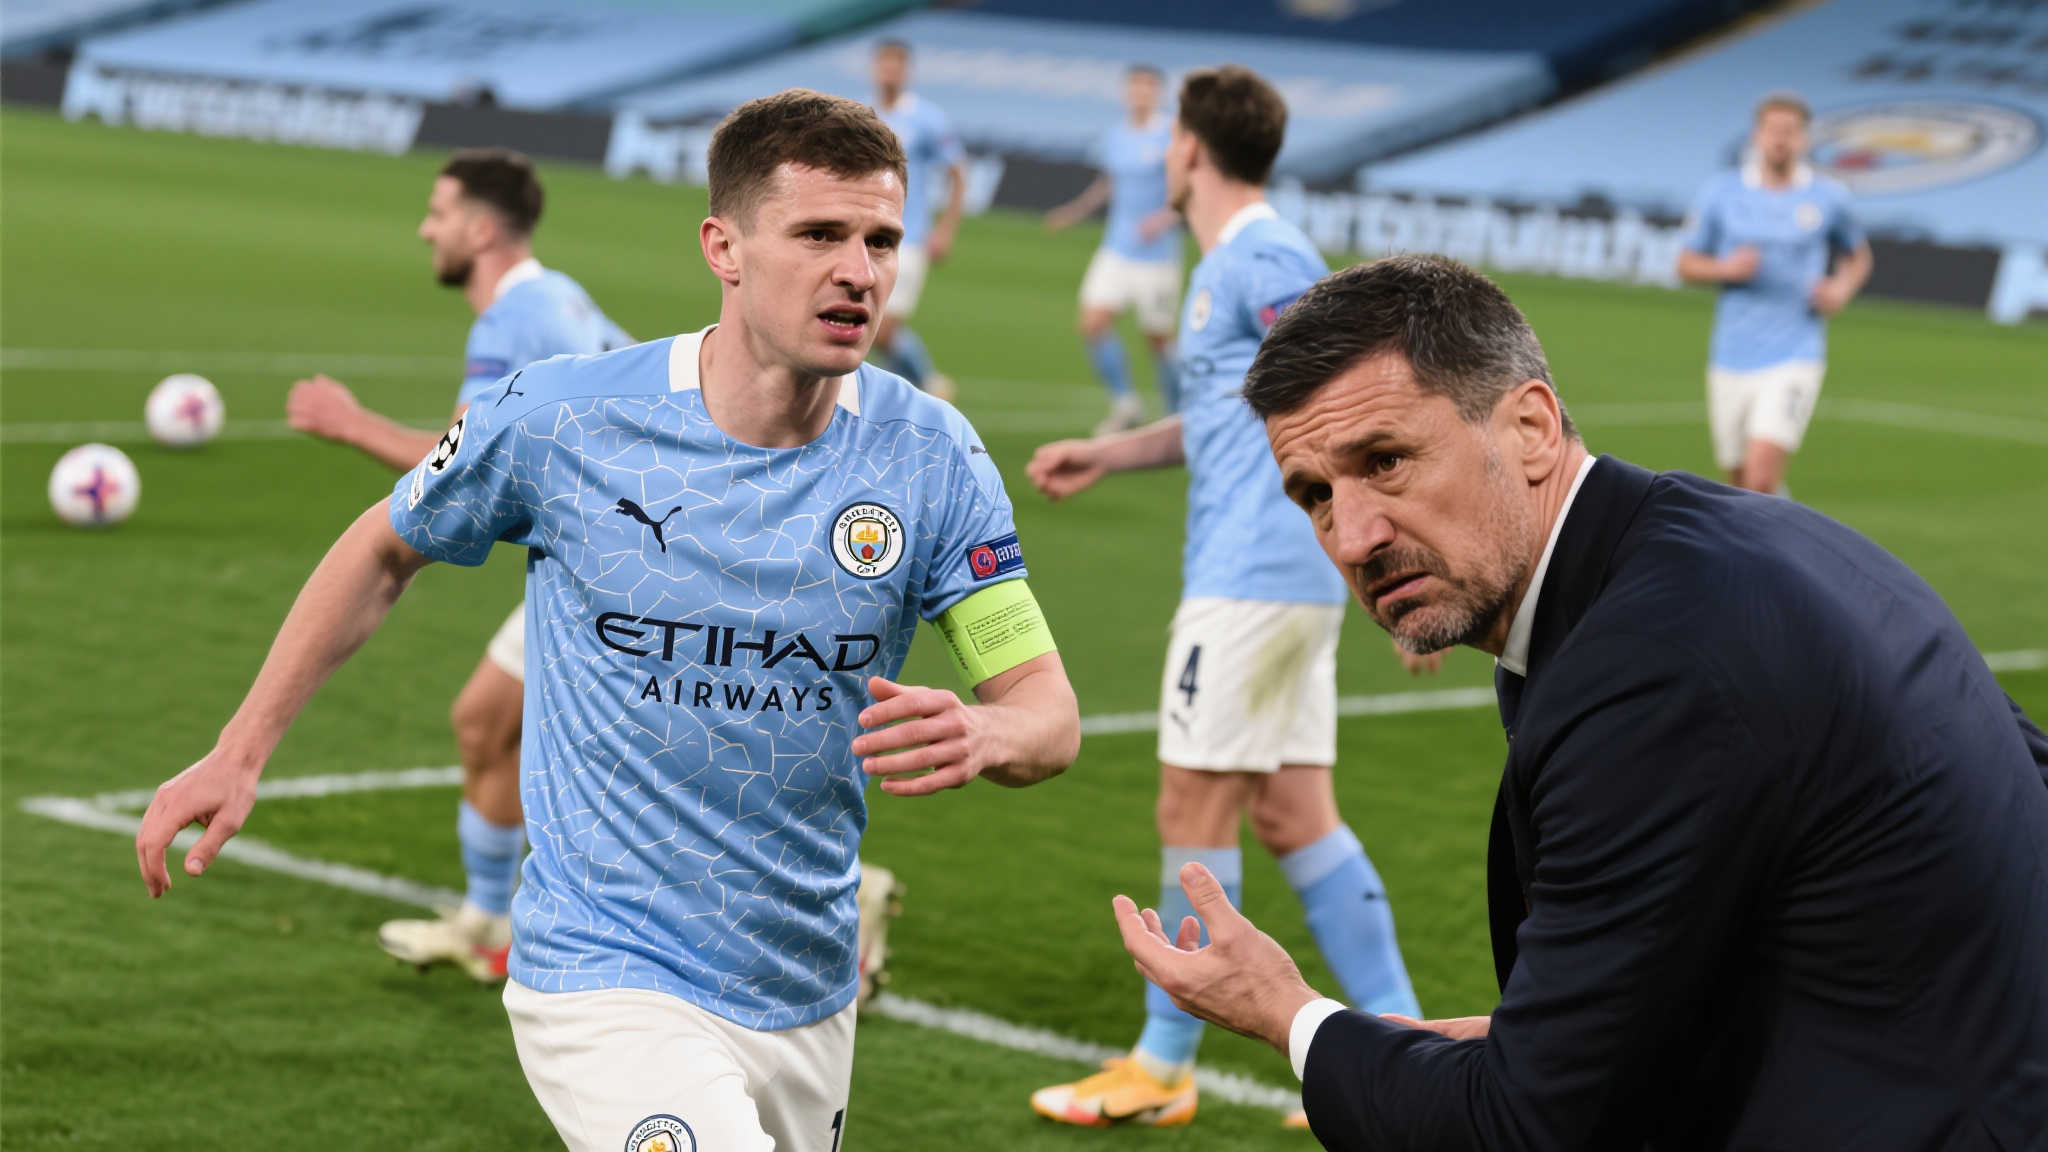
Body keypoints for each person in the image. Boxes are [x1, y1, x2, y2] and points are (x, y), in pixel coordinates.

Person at [136, 89, 1081, 1152]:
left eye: (881, 240)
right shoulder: (564, 416)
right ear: (723, 247)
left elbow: (1047, 712)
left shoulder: (932, 456)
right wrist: (240, 749)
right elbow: (385, 545)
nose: (858, 271)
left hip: (802, 982)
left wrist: (991, 731)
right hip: (604, 966)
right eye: (819, 234)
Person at [1114, 253, 2048, 1150]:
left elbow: (1519, 1130)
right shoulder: (1749, 542)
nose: (1353, 537)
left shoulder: (1653, 666)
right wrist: (1563, 1032)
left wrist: (1287, 1013)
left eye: (1387, 460)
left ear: (1530, 427)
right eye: (1315, 495)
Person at [1026, 66, 1423, 1131]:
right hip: (1272, 582)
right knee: (1293, 813)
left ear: (1190, 149)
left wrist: (1390, 562)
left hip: (1253, 580)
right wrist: (1110, 454)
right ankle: (1398, 1042)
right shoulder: (1234, 264)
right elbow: (1226, 416)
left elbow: (1353, 400)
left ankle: (1163, 1063)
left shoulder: (1264, 258)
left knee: (1190, 809)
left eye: (1171, 137)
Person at [284, 147, 631, 983]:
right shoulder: (566, 299)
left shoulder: (511, 320)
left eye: (437, 214)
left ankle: (847, 896)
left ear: (479, 230)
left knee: (631, 773)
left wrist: (350, 423)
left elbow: (459, 465)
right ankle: (486, 922)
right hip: (603, 557)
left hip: (612, 574)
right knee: (485, 723)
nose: (424, 230)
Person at [1676, 92, 1872, 495]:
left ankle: (1778, 535)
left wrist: (1840, 288)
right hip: (1731, 355)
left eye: (1790, 131)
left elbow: (1858, 256)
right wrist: (1726, 269)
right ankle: (1777, 530)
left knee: (1760, 480)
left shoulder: (1827, 197)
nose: (1781, 139)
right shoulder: (1723, 192)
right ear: (1757, 135)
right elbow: (1685, 263)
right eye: (1773, 130)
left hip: (1795, 353)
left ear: (1804, 138)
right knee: (1739, 485)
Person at [1044, 64, 1183, 435]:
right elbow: (1109, 184)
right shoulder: (1117, 136)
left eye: (1147, 88)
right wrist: (1073, 212)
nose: (1140, 94)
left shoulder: (1172, 135)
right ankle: (1125, 404)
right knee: (1092, 323)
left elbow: (1190, 187)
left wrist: (1164, 217)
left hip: (1157, 256)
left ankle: (1179, 418)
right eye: (1134, 87)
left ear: (1159, 93)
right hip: (1117, 249)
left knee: (1159, 341)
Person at [870, 38, 963, 402]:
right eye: (884, 65)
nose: (889, 73)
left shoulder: (926, 118)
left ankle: (927, 385)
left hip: (907, 237)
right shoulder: (863, 115)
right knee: (871, 326)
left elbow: (958, 173)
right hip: (866, 236)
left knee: (884, 329)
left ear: (906, 72)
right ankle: (912, 395)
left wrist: (945, 229)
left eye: (897, 66)